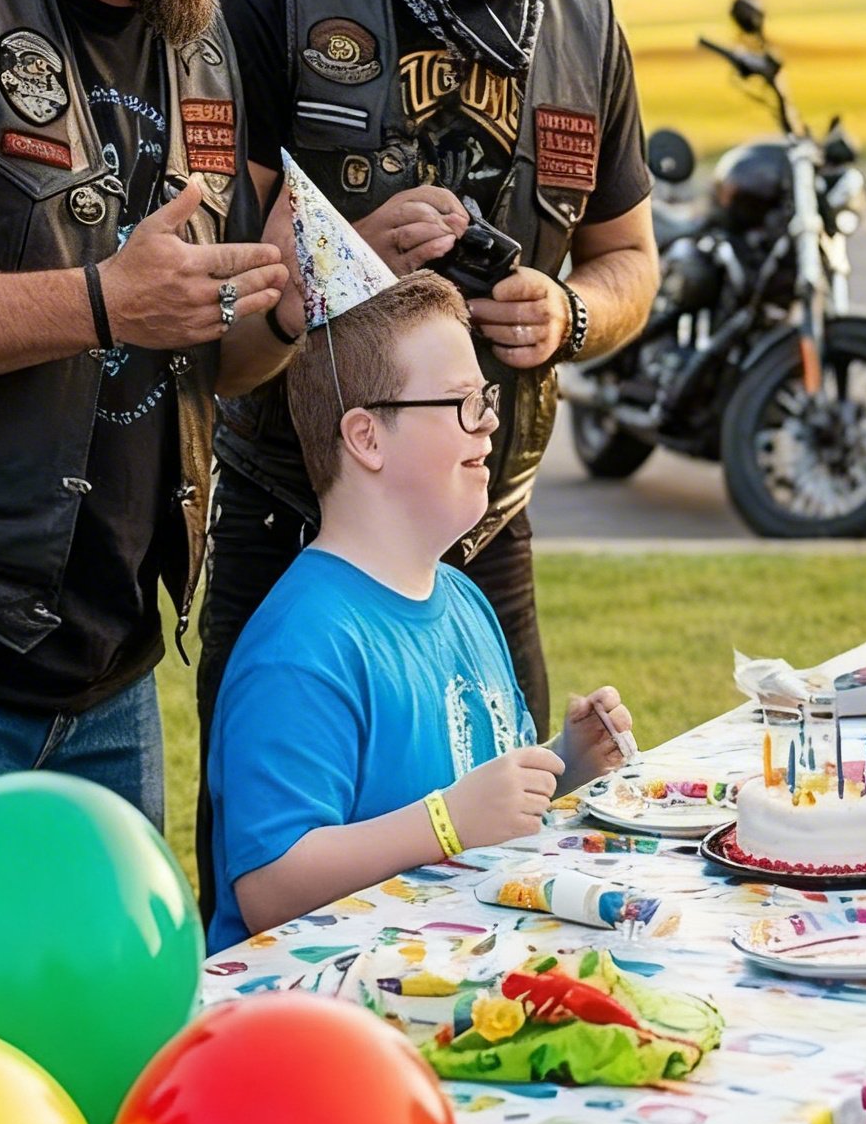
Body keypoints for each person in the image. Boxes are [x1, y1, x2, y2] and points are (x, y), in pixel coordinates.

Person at [201, 0, 659, 903]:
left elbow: (633, 264)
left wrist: (567, 313)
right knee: (278, 868)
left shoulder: (589, 28)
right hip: (286, 513)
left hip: (482, 535)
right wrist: (341, 258)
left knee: (499, 853)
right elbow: (208, 294)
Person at [0, 0, 306, 826]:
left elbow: (212, 361)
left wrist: (283, 302)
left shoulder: (199, 31)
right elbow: (126, 308)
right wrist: (100, 301)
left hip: (116, 673)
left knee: (118, 1008)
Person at [207, 261, 634, 951]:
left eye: (487, 398)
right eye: (463, 402)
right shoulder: (303, 645)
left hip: (449, 979)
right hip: (329, 1017)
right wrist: (446, 823)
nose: (489, 423)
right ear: (366, 438)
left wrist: (565, 765)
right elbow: (268, 888)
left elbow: (477, 796)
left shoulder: (462, 599)